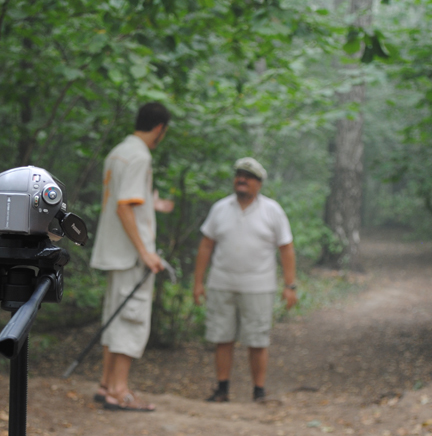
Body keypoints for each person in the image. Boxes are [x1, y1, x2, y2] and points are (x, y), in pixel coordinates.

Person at [90, 102, 173, 411]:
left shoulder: (118, 151)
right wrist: (146, 253)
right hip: (130, 255)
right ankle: (119, 390)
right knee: (130, 318)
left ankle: (106, 384)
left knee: (114, 316)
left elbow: (129, 200)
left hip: (114, 250)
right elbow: (125, 205)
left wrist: (155, 206)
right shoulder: (140, 156)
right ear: (159, 129)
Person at [193, 157, 297, 402]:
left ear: (259, 183)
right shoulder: (220, 208)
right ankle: (222, 389)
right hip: (222, 283)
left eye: (248, 177)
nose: (242, 180)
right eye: (239, 175)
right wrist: (198, 282)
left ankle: (258, 391)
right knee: (222, 337)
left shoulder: (272, 211)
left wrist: (290, 286)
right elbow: (206, 246)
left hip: (258, 286)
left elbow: (286, 248)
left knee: (257, 340)